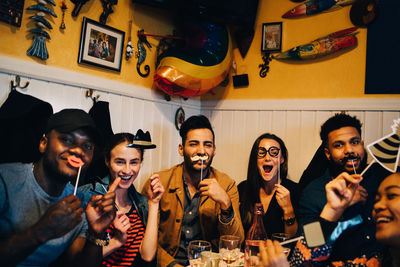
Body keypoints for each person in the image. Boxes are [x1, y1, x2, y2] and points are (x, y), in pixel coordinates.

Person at [0, 108, 118, 267]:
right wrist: (42, 231)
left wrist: (97, 233)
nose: (78, 150)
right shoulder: (5, 179)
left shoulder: (80, 203)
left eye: (87, 146)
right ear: (43, 143)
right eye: (67, 140)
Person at [143, 115, 244, 267]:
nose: (201, 151)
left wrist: (225, 203)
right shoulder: (159, 183)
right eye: (193, 144)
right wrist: (172, 265)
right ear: (181, 149)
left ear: (214, 150)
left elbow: (235, 243)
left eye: (207, 145)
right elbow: (146, 239)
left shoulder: (227, 185)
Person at [298, 113, 391, 264]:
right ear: (328, 153)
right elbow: (307, 247)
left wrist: (379, 256)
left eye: (354, 142)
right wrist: (339, 211)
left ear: (362, 144)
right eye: (339, 145)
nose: (349, 150)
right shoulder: (313, 192)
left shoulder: (384, 178)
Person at [259, 172, 400, 267]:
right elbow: (301, 260)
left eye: (392, 195)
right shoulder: (313, 190)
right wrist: (331, 210)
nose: (378, 206)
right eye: (377, 199)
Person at [80, 130, 164, 266]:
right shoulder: (87, 197)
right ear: (107, 161)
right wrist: (116, 241)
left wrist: (154, 203)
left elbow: (147, 255)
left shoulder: (142, 203)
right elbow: (76, 261)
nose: (127, 170)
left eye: (134, 162)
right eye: (120, 162)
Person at [238, 133, 298, 239]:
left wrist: (288, 210)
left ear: (282, 159)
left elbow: (293, 241)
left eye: (274, 153)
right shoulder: (243, 189)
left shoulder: (295, 190)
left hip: (278, 255)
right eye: (261, 153)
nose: (267, 158)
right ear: (255, 159)